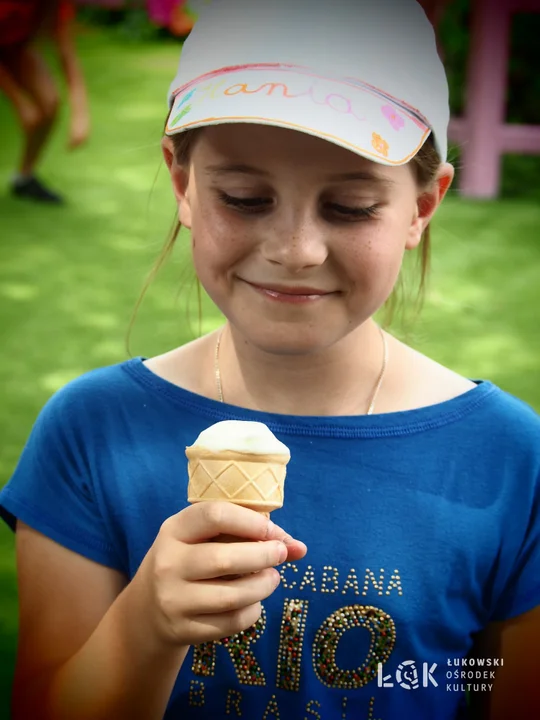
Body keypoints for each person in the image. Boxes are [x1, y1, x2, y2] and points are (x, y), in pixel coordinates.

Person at [1, 0, 539, 718]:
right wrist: (145, 627)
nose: (296, 250)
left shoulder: (509, 461)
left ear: (422, 206)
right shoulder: (91, 431)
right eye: (246, 197)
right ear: (184, 182)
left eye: (349, 207)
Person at [0, 0, 90, 203]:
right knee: (31, 111)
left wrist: (80, 115)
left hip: (14, 47)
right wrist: (19, 101)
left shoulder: (56, 5)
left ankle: (24, 178)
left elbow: (67, 54)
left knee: (49, 103)